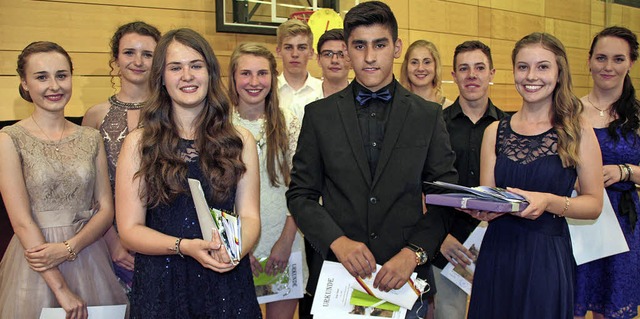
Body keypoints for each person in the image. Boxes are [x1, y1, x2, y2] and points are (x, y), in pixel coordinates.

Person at [286, 2, 458, 318]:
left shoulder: (427, 116)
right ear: (347, 50)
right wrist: (337, 241)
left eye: (379, 45)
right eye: (359, 46)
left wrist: (414, 253)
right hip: (339, 277)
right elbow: (300, 195)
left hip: (405, 277)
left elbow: (445, 196)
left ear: (396, 47)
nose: (369, 57)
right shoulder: (319, 115)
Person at [115, 28, 262, 318]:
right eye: (175, 67)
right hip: (162, 282)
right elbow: (130, 231)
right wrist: (185, 247)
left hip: (225, 280)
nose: (187, 76)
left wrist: (234, 252)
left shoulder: (240, 139)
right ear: (161, 77)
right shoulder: (139, 143)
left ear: (210, 73)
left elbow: (250, 216)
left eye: (196, 66)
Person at [466, 32, 604, 319]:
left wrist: (549, 201)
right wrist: (478, 208)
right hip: (498, 253)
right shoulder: (494, 131)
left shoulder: (576, 130)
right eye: (523, 66)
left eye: (543, 66)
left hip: (547, 257)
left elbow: (594, 204)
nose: (531, 76)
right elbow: (489, 199)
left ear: (558, 72)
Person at [0, 41, 127, 319]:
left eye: (61, 75)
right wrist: (61, 289)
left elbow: (105, 209)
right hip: (36, 261)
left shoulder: (90, 136)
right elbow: (21, 220)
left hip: (88, 254)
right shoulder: (10, 139)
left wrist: (70, 248)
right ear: (24, 83)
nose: (54, 86)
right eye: (41, 77)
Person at [229, 42, 307, 319]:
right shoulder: (218, 126)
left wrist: (285, 242)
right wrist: (238, 247)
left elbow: (302, 188)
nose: (254, 82)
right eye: (245, 73)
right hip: (235, 246)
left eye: (262, 73)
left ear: (273, 78)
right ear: (233, 78)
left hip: (284, 242)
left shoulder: (290, 122)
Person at [82, 20, 161, 293]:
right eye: (129, 52)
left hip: (163, 238)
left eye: (148, 54)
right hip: (108, 241)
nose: (138, 61)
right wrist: (113, 242)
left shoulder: (172, 114)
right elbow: (87, 187)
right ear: (115, 58)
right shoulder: (95, 116)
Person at [434, 40, 506, 319]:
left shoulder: (509, 127)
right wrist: (440, 238)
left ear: (492, 73)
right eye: (464, 68)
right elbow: (421, 187)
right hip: (449, 244)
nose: (471, 75)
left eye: (479, 68)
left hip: (498, 242)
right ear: (453, 76)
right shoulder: (435, 125)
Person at [574, 26, 640, 319]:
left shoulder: (637, 115)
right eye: (601, 58)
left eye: (618, 59)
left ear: (631, 63)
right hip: (575, 220)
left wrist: (625, 171)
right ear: (589, 61)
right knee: (569, 305)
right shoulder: (569, 111)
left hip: (623, 224)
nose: (608, 66)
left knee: (613, 310)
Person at [276, 19, 323, 121]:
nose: (295, 54)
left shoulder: (323, 91)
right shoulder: (269, 90)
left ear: (311, 53)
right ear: (279, 52)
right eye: (288, 47)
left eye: (301, 48)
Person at [400, 40, 453, 107]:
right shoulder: (397, 107)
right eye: (414, 62)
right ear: (406, 66)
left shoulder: (450, 109)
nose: (420, 68)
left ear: (436, 66)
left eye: (427, 62)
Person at [316, 29, 350, 97]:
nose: (334, 60)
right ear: (318, 59)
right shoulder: (302, 103)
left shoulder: (364, 101)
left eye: (341, 54)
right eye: (328, 54)